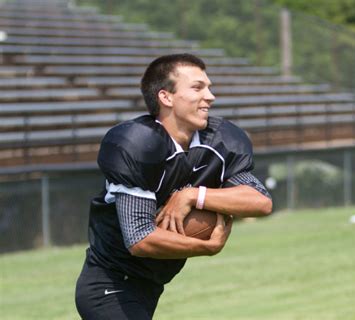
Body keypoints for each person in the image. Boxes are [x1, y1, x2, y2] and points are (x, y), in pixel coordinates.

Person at [75, 53, 273, 319]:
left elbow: (260, 201)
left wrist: (194, 195)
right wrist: (206, 247)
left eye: (209, 87)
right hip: (110, 285)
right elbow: (140, 239)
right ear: (166, 97)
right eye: (197, 87)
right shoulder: (137, 144)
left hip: (150, 286)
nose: (210, 96)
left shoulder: (221, 141)